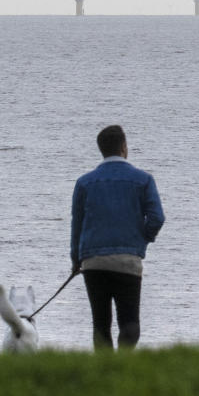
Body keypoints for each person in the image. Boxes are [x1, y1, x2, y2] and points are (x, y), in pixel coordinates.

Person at [70, 125, 165, 350]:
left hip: (93, 262)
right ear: (124, 147)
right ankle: (124, 360)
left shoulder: (84, 183)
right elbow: (157, 218)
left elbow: (77, 226)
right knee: (129, 320)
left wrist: (76, 260)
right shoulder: (143, 180)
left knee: (100, 323)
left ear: (101, 149)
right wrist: (142, 239)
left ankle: (104, 371)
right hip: (127, 260)